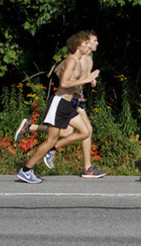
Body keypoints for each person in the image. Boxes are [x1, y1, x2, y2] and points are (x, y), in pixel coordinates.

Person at [13, 31, 105, 178]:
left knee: (85, 132)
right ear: (77, 45)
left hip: (68, 105)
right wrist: (86, 80)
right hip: (59, 103)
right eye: (86, 43)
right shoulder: (72, 60)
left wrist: (83, 83)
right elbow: (64, 83)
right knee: (51, 141)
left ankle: (48, 146)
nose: (89, 45)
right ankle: (26, 170)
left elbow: (66, 78)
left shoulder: (79, 60)